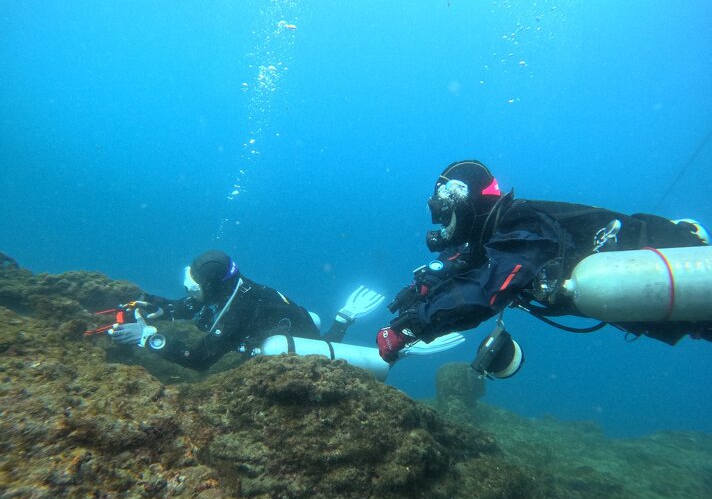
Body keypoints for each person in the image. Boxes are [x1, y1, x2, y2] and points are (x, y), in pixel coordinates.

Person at [376, 160, 712, 371]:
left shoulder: (521, 220)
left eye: (444, 213)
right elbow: (470, 266)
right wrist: (425, 289)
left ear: (465, 204)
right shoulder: (502, 233)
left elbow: (488, 288)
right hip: (682, 310)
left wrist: (412, 326)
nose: (442, 224)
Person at [108, 249, 384, 371]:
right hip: (292, 316)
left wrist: (147, 337)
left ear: (210, 285)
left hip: (301, 339)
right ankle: (336, 322)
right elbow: (192, 304)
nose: (189, 291)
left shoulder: (236, 313)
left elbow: (199, 360)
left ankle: (343, 319)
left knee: (283, 349)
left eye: (194, 286)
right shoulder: (227, 286)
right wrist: (157, 307)